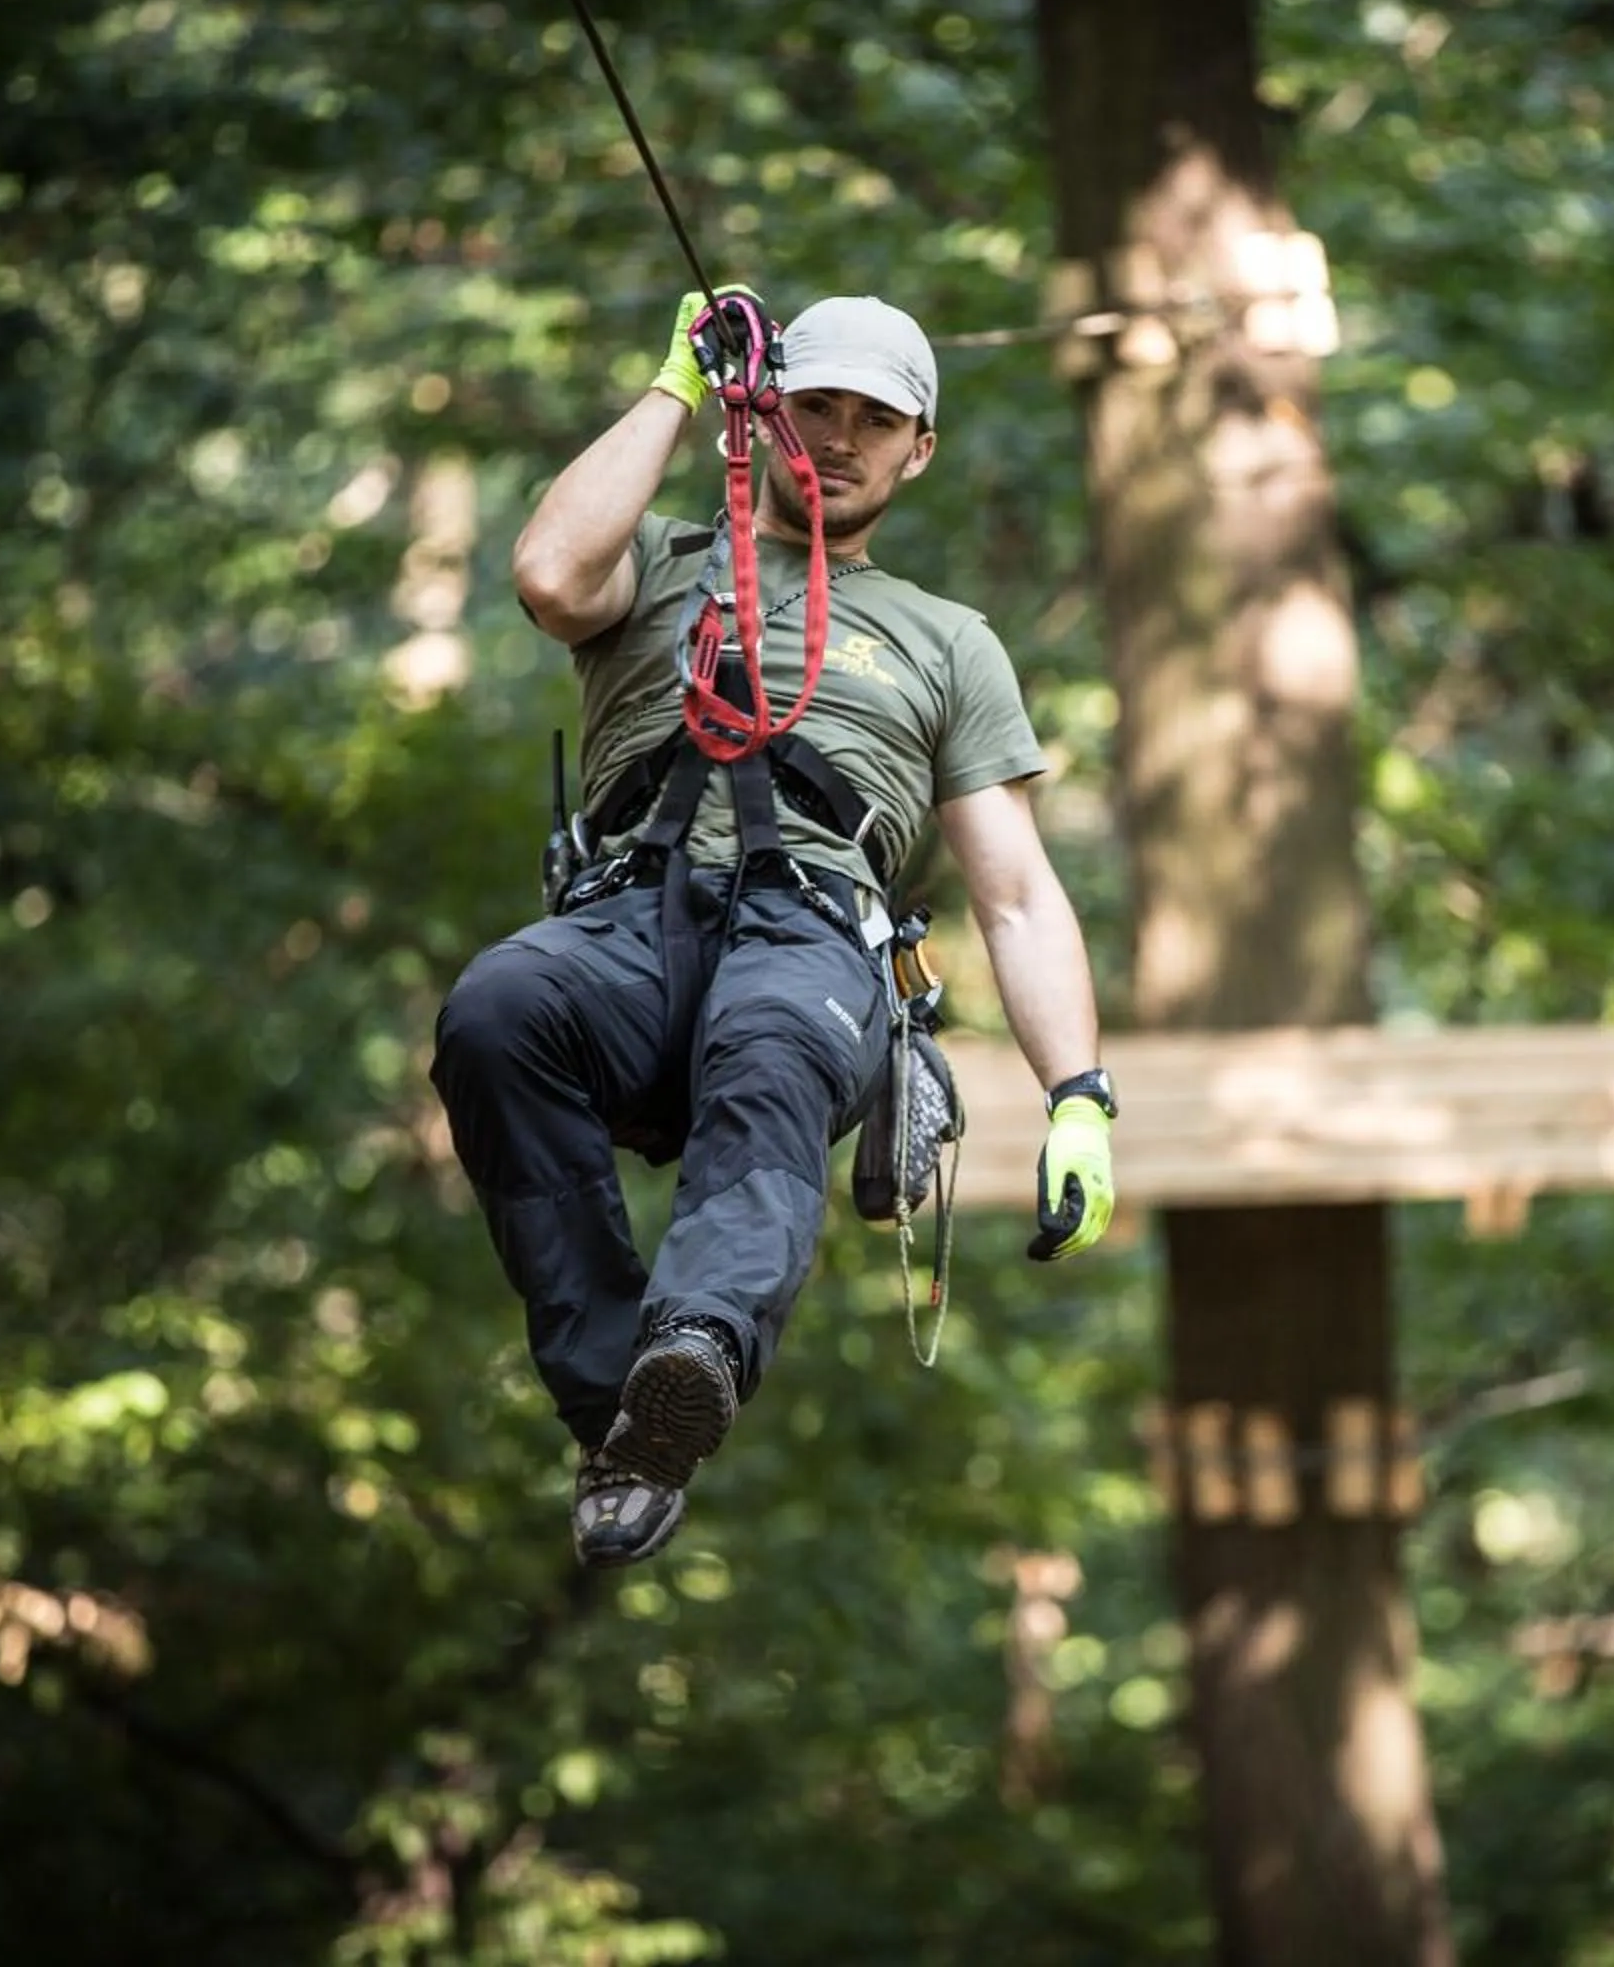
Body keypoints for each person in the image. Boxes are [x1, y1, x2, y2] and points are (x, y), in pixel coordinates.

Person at [432, 289, 1118, 1568]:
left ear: (921, 449)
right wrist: (679, 387)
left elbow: (1015, 892)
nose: (842, 438)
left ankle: (695, 1342)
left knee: (767, 1033)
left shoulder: (947, 643)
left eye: (876, 419)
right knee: (496, 1008)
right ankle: (625, 1415)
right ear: (768, 410)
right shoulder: (665, 569)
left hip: (811, 947)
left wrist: (1078, 1094)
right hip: (627, 922)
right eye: (815, 406)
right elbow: (545, 573)